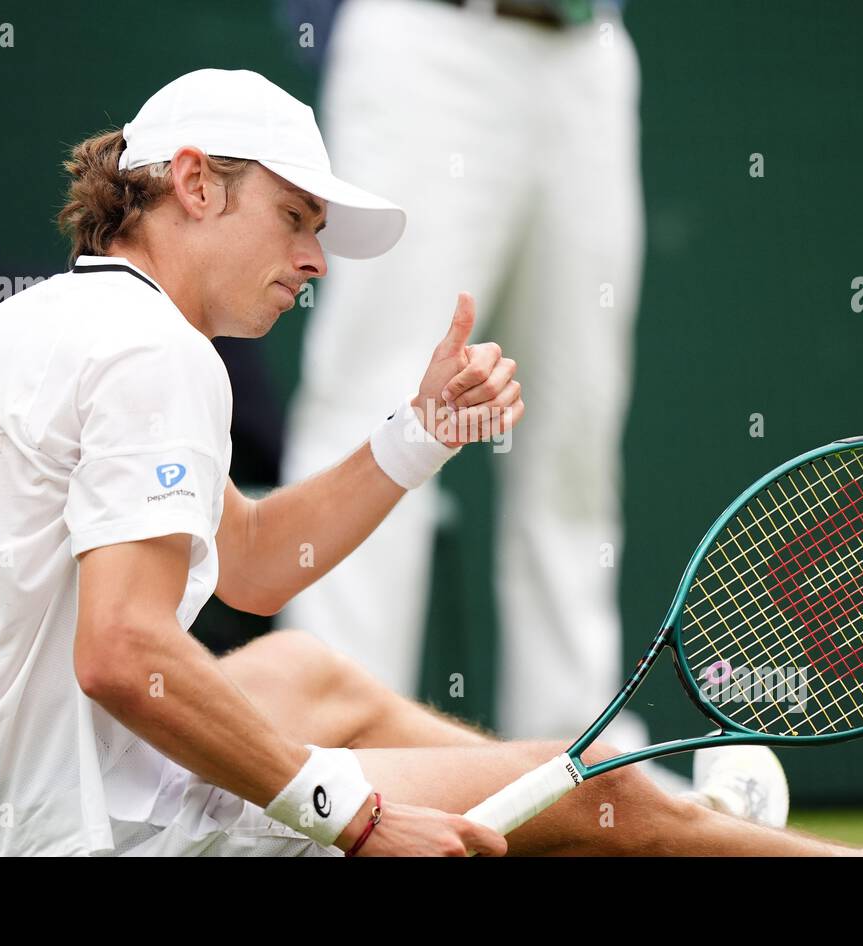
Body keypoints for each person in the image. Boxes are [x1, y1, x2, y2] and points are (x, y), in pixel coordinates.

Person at [0, 68, 863, 857]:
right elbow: (124, 654)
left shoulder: (51, 320)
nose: (316, 261)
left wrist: (416, 434)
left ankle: (701, 836)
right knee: (577, 791)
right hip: (77, 839)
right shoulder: (158, 357)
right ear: (194, 184)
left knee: (301, 663)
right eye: (298, 219)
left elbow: (249, 568)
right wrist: (354, 816)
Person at [279, 0, 660, 756]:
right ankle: (329, 755)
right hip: (427, 36)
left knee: (577, 431)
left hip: (590, 48)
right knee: (377, 402)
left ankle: (577, 767)